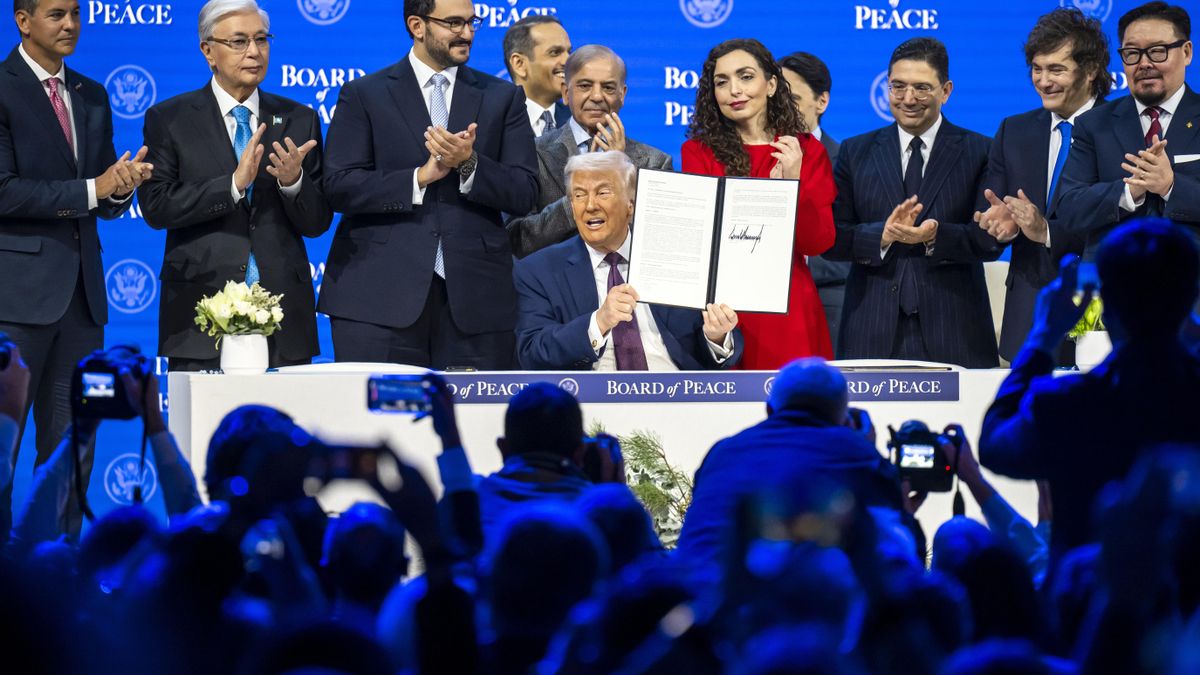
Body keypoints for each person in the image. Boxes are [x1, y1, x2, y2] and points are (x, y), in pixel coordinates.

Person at [318, 0, 538, 370]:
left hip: (475, 303)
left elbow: (525, 191)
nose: (466, 33)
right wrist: (418, 178)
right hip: (379, 300)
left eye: (472, 22)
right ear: (417, 26)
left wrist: (468, 164)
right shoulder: (364, 94)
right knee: (378, 424)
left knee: (474, 424)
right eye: (454, 23)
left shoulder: (503, 98)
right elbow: (339, 185)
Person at [0, 0, 151, 537]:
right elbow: (5, 192)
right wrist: (95, 189)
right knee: (3, 450)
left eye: (76, 15)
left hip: (82, 301)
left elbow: (102, 193)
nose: (70, 26)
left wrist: (120, 188)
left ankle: (58, 569)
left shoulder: (92, 94)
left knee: (71, 445)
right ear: (23, 20)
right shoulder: (2, 88)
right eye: (57, 14)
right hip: (15, 303)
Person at [979, 218, 1200, 560]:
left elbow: (994, 445)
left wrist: (1042, 339)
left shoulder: (1068, 404)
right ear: (1191, 300)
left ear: (1106, 306)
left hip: (1087, 600)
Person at [138, 0, 331, 372]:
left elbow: (318, 221)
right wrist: (231, 185)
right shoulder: (170, 118)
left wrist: (294, 183)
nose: (255, 52)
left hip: (284, 315)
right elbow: (157, 206)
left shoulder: (299, 119)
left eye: (261, 39)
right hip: (199, 310)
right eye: (239, 42)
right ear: (208, 51)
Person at [824, 37, 1001, 367]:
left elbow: (988, 242)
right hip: (870, 331)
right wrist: (883, 235)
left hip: (957, 332)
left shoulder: (981, 150)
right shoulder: (855, 151)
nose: (908, 99)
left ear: (946, 91)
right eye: (898, 87)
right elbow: (833, 239)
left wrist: (935, 235)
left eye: (922, 88)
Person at [682, 38, 835, 368]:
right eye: (721, 82)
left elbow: (817, 241)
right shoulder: (698, 152)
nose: (734, 90)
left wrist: (794, 184)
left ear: (771, 84)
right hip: (725, 308)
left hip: (790, 304)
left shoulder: (807, 149)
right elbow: (705, 236)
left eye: (746, 76)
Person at [513, 151, 742, 371]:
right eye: (580, 195)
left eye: (603, 193)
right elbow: (532, 351)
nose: (590, 205)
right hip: (592, 399)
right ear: (572, 208)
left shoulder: (678, 256)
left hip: (675, 393)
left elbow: (720, 346)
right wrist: (598, 323)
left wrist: (716, 336)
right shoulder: (538, 271)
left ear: (630, 205)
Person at [674, 358, 903, 567]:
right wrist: (867, 449)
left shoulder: (722, 451)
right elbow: (902, 556)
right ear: (843, 418)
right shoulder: (856, 451)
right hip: (792, 601)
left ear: (769, 408)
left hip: (698, 595)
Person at [975, 8, 1108, 365]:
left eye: (1056, 69)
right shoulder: (1012, 131)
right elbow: (996, 210)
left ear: (1091, 69)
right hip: (1028, 318)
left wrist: (1046, 231)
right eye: (1037, 68)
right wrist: (1000, 228)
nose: (1043, 80)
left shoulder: (1122, 130)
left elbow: (1122, 224)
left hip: (1099, 314)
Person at [1055, 2, 1199, 264]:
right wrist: (1126, 193)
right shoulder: (1094, 124)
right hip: (1112, 287)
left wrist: (1171, 186)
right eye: (1132, 53)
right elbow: (1068, 208)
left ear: (1186, 52)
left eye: (1157, 51)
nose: (1144, 63)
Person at [507, 45, 674, 258]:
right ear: (566, 93)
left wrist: (620, 171)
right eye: (585, 86)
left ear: (622, 95)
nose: (597, 96)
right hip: (556, 284)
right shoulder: (532, 153)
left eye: (608, 88)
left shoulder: (655, 162)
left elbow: (662, 240)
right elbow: (517, 238)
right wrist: (580, 198)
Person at [779, 51, 851, 350]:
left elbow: (851, 246)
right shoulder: (754, 157)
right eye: (777, 100)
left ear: (822, 101)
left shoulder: (848, 159)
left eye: (792, 100)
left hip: (827, 302)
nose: (782, 109)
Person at [502, 14, 570, 138]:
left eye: (568, 52)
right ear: (519, 64)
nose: (568, 60)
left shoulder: (579, 122)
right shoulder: (492, 122)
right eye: (555, 52)